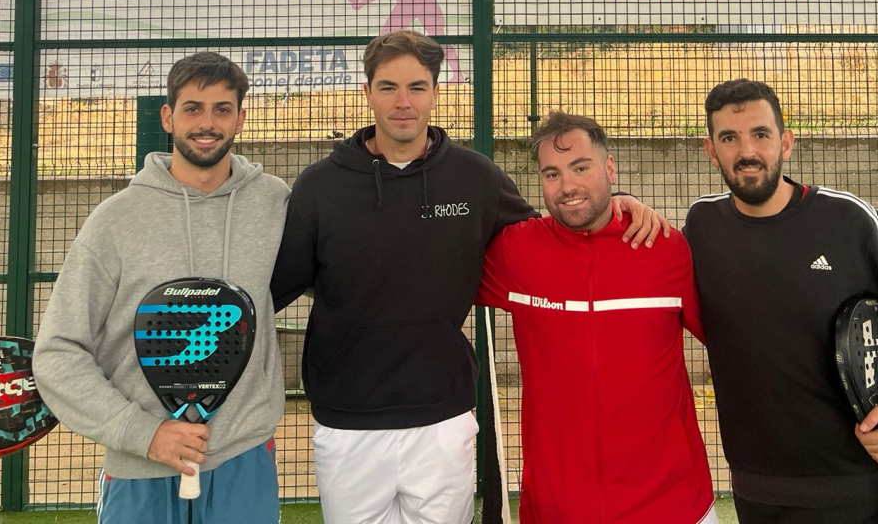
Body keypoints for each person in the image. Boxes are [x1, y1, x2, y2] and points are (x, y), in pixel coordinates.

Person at [271, 30, 668, 524]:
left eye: (417, 87)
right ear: (367, 92)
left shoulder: (475, 178)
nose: (403, 102)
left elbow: (552, 237)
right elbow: (274, 288)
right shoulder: (319, 186)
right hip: (348, 422)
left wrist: (616, 203)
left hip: (444, 419)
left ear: (436, 93)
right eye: (388, 87)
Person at [684, 78, 878, 524]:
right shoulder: (701, 225)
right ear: (711, 151)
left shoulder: (849, 219)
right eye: (729, 138)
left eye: (761, 134)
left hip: (870, 483)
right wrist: (623, 202)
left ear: (786, 143)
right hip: (761, 493)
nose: (747, 151)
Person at [34, 52, 289, 524]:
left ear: (240, 118)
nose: (207, 123)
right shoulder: (114, 221)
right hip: (140, 467)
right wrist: (143, 433)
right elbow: (57, 352)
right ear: (168, 117)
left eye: (222, 109)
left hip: (244, 457)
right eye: (193, 108)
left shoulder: (274, 203)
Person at [477, 110, 716, 524]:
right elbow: (436, 275)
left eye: (581, 167)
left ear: (610, 168)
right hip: (557, 511)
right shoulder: (515, 252)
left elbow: (737, 342)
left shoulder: (665, 248)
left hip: (675, 507)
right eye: (552, 174)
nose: (568, 186)